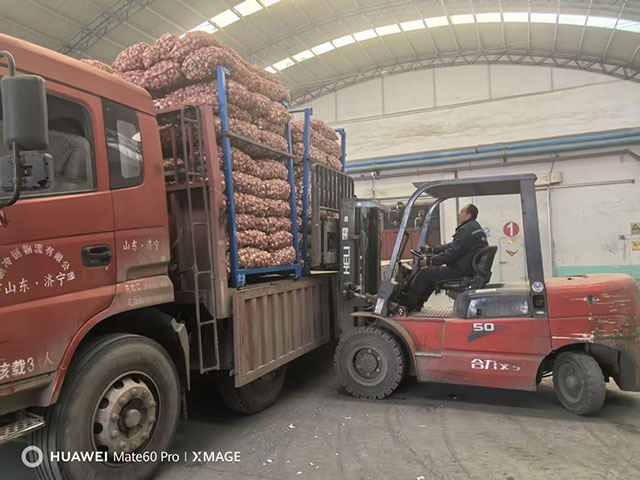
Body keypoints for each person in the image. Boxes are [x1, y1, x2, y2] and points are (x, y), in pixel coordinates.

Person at [397, 203, 488, 311]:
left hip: (461, 271)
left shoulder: (467, 230)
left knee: (425, 273)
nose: (459, 214)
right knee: (431, 274)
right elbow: (453, 246)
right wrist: (433, 250)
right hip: (467, 269)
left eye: (462, 212)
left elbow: (452, 253)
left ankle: (406, 304)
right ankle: (416, 304)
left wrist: (431, 261)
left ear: (468, 216)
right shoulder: (473, 228)